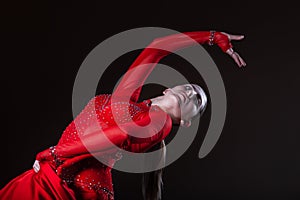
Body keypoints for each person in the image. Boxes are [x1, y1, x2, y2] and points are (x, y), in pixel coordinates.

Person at [0, 30, 246, 200]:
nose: (191, 94)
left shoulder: (161, 122)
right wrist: (212, 37)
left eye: (197, 101)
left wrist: (54, 153)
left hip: (76, 187)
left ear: (186, 120)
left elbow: (114, 136)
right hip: (57, 175)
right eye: (191, 88)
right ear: (169, 88)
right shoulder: (127, 100)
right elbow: (158, 46)